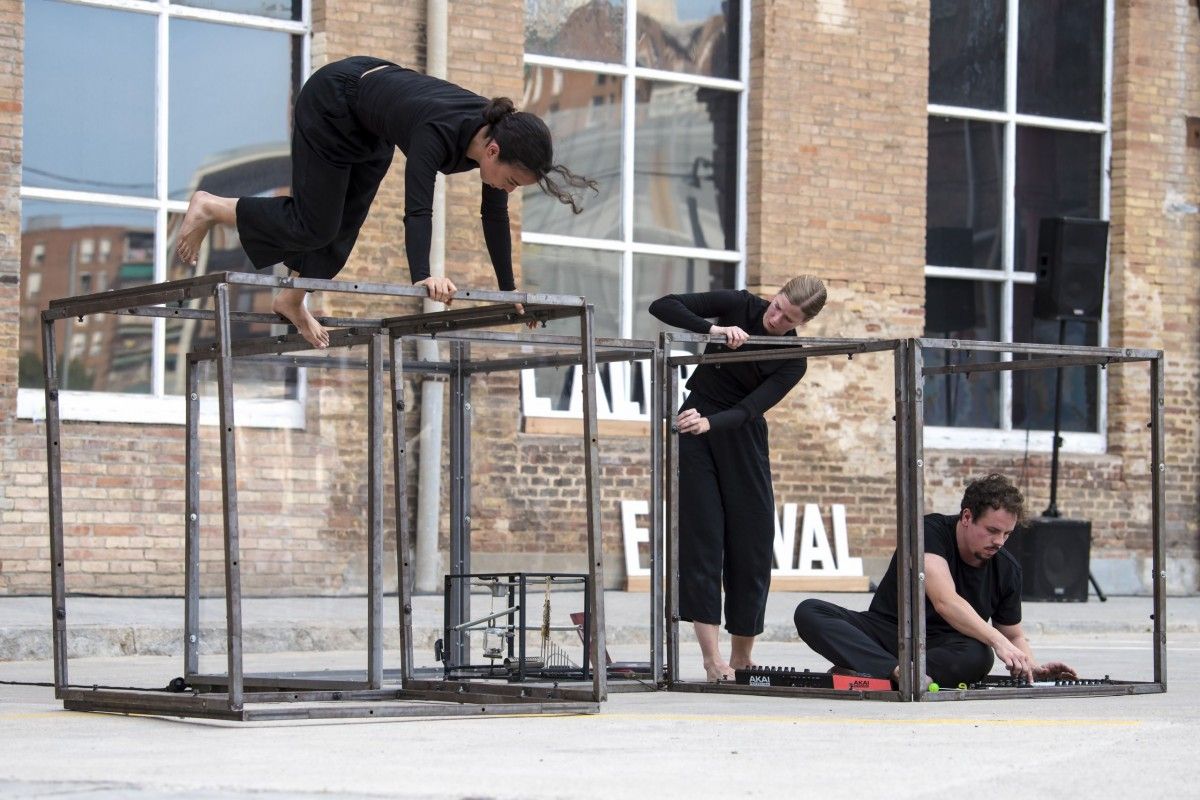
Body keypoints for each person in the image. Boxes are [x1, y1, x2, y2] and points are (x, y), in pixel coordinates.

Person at [175, 56, 596, 348]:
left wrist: (510, 293)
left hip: (373, 127)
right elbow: (417, 208)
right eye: (511, 181)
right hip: (333, 102)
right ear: (492, 152)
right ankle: (211, 206)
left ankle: (291, 298)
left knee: (343, 229)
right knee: (314, 223)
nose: (508, 190)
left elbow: (494, 217)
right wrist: (424, 275)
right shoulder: (436, 133)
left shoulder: (493, 137)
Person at [649, 276, 828, 682]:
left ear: (802, 322)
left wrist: (712, 423)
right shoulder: (739, 305)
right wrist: (712, 329)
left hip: (738, 432)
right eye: (778, 305)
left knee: (754, 540)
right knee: (704, 539)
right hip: (695, 423)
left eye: (788, 318)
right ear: (777, 293)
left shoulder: (792, 358)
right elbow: (663, 304)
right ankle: (713, 662)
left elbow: (751, 409)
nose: (776, 316)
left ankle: (742, 657)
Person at [794, 473, 1077, 689]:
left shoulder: (1007, 569)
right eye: (992, 531)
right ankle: (895, 671)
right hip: (887, 633)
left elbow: (1013, 634)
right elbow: (945, 601)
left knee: (979, 656)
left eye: (1007, 534)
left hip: (942, 650)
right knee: (810, 611)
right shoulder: (929, 532)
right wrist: (997, 641)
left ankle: (876, 672)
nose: (999, 542)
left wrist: (1030, 667)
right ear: (967, 517)